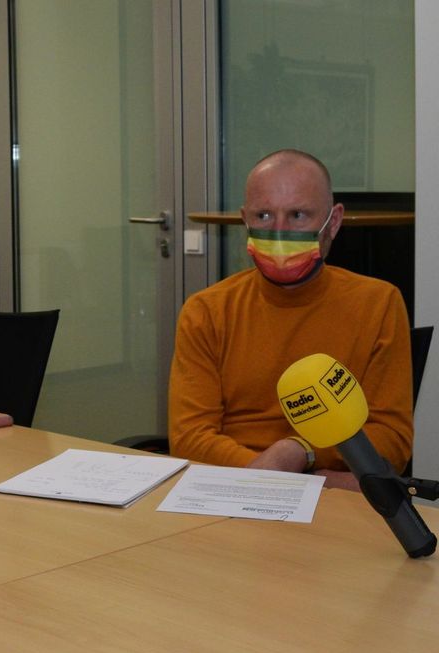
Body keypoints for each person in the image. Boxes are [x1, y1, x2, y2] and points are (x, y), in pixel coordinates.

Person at [169, 149, 413, 491]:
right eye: (264, 215)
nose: (280, 232)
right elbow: (190, 438)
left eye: (298, 215)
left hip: (325, 501)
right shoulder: (206, 311)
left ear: (334, 221)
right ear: (245, 220)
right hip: (233, 490)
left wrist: (299, 452)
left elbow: (392, 440)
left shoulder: (379, 304)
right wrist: (271, 474)